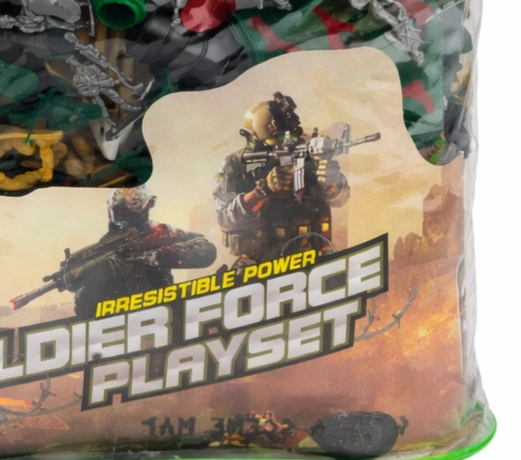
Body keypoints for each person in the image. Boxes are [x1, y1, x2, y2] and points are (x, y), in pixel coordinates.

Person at [214, 92, 350, 268]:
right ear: (253, 139)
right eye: (275, 139)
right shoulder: (234, 165)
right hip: (255, 262)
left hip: (313, 255)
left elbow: (340, 199)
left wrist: (331, 180)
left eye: (291, 137)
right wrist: (260, 192)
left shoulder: (309, 154)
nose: (286, 144)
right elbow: (225, 222)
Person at [71, 186, 217, 318]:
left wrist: (153, 256)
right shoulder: (101, 250)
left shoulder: (157, 232)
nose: (123, 217)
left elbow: (207, 251)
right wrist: (94, 283)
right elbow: (84, 308)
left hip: (160, 313)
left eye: (126, 209)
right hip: (120, 320)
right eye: (119, 209)